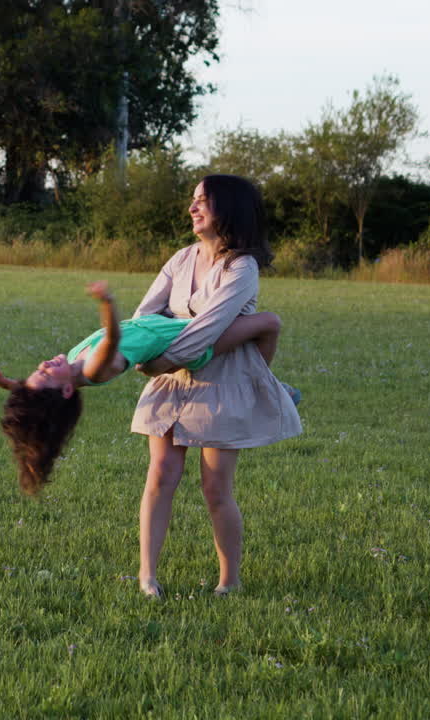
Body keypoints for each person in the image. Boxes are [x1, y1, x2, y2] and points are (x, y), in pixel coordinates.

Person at [130, 173, 302, 598]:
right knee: (161, 473)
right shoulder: (181, 258)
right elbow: (144, 318)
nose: (193, 207)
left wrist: (155, 360)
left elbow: (204, 333)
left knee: (215, 487)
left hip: (221, 385)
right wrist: (138, 350)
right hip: (173, 381)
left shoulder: (241, 267)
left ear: (229, 209)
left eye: (203, 200)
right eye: (192, 200)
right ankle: (147, 577)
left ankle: (230, 581)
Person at [0, 280, 288, 496]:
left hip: (170, 325)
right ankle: (263, 391)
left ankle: (264, 386)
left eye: (38, 370)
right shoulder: (96, 368)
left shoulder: (72, 367)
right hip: (192, 343)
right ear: (65, 391)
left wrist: (3, 382)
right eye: (47, 373)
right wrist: (106, 302)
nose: (44, 364)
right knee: (269, 323)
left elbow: (38, 395)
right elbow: (114, 340)